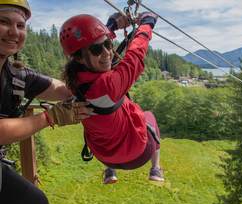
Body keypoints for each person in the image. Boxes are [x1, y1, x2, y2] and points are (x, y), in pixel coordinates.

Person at [0, 1, 92, 204]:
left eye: (21, 25)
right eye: (3, 22)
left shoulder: (16, 75)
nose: (14, 32)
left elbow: (60, 89)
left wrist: (96, 77)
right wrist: (51, 117)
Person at [59, 12, 165, 184]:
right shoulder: (109, 85)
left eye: (108, 44)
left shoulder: (74, 80)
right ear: (78, 57)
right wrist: (147, 24)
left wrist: (111, 25)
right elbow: (135, 55)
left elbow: (91, 43)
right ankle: (156, 169)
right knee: (150, 116)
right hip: (138, 153)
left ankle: (111, 171)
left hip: (105, 156)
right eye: (97, 50)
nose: (108, 52)